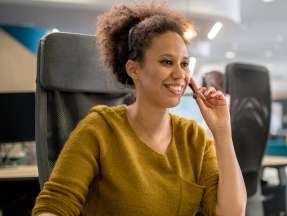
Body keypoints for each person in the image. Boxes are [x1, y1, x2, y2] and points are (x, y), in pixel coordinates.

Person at [32, 2, 246, 216]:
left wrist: (222, 132)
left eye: (184, 64)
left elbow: (231, 213)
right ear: (134, 69)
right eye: (167, 62)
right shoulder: (100, 128)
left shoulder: (194, 138)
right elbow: (56, 205)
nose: (181, 75)